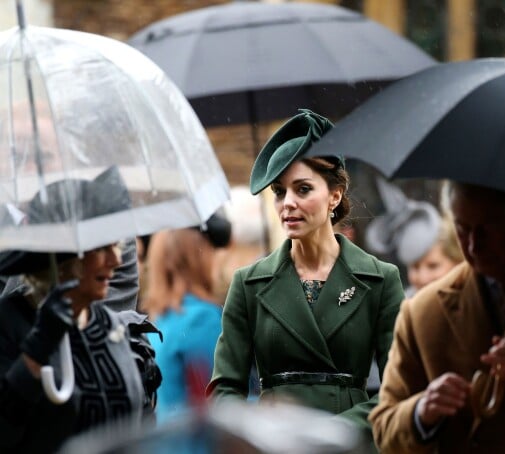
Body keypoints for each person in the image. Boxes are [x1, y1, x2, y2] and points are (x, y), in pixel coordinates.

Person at [207, 109, 405, 442]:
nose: (288, 204)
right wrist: (257, 431)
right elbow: (225, 389)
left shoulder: (380, 279)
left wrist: (332, 433)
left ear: (335, 196)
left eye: (302, 189)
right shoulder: (248, 283)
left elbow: (398, 388)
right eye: (280, 192)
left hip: (349, 446)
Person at [369, 182, 505, 453]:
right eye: (462, 228)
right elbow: (385, 430)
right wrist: (422, 412)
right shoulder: (423, 311)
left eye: (487, 229)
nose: (473, 245)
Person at [0, 168, 161, 453]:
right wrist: (37, 350)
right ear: (62, 253)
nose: (115, 260)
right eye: (101, 247)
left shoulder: (112, 327)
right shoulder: (11, 321)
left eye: (116, 245)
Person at [143, 214, 231, 422]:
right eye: (210, 249)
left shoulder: (160, 319)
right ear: (196, 257)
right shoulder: (201, 318)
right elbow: (222, 398)